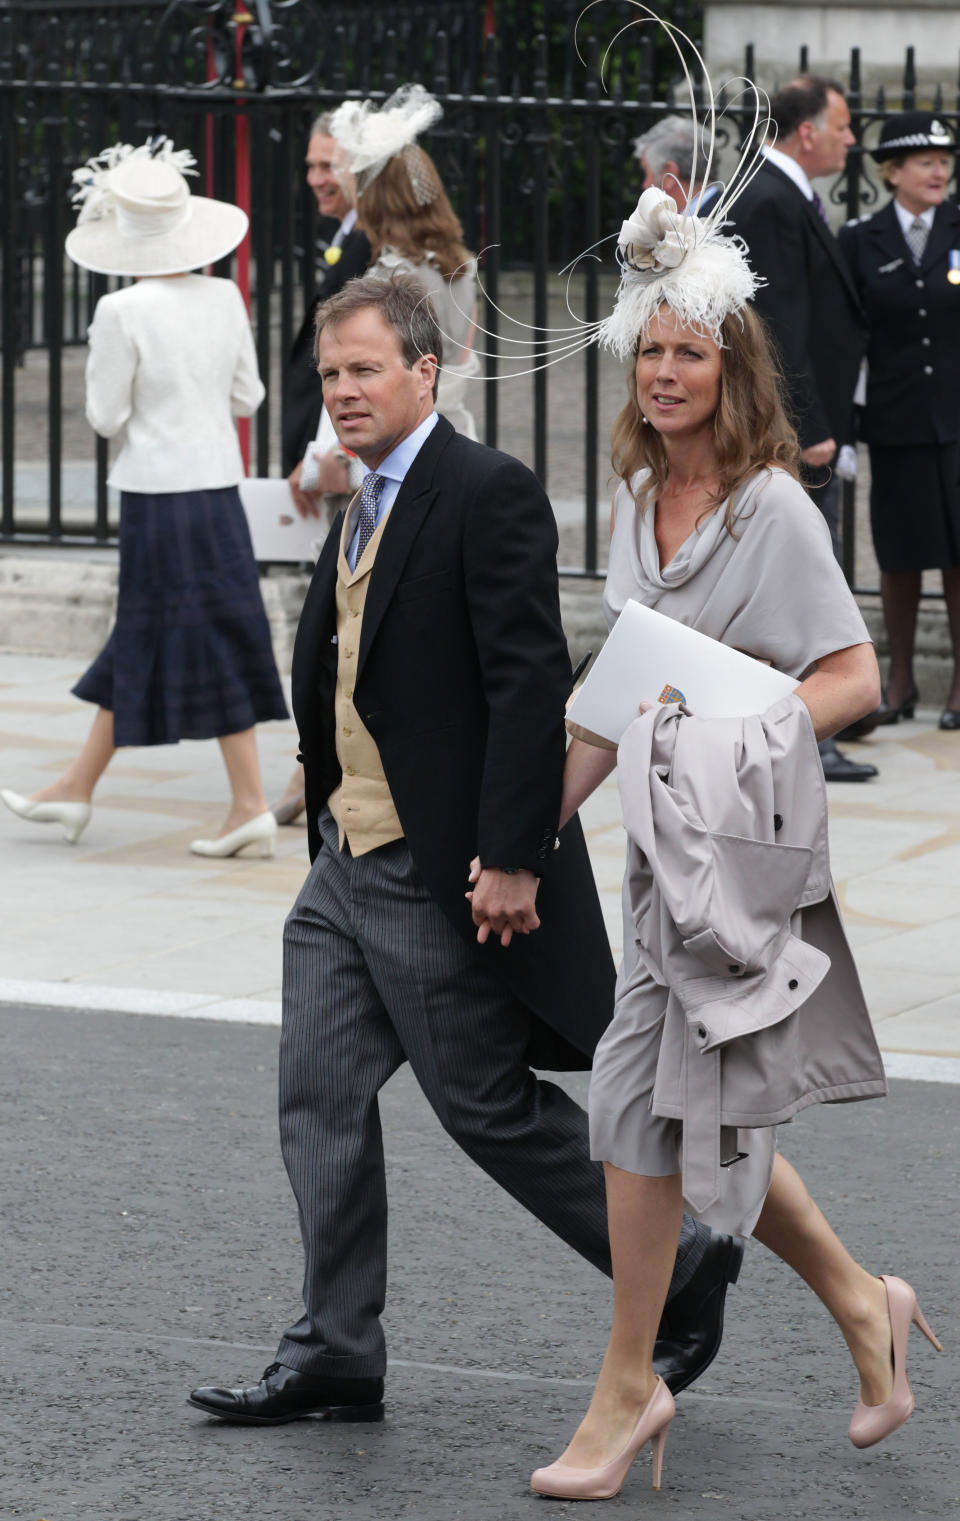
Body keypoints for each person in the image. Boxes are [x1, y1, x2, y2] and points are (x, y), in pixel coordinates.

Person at [187, 272, 744, 1429]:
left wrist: (515, 853)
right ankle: (335, 1347)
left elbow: (528, 678)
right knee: (319, 1095)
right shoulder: (362, 498)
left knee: (485, 1105)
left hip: (433, 867)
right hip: (346, 863)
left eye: (364, 370)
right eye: (331, 374)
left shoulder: (484, 489)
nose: (342, 392)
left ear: (425, 371)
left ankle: (685, 1258)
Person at [524, 185, 940, 1503]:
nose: (663, 371)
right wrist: (527, 828)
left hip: (742, 861)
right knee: (682, 1115)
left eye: (688, 351)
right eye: (649, 350)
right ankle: (866, 1308)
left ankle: (627, 1382)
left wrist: (730, 725)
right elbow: (615, 694)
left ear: (731, 364)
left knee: (652, 1117)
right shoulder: (637, 506)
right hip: (658, 858)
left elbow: (856, 675)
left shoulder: (775, 512)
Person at [0, 140, 288, 859]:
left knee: (183, 631)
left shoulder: (120, 309)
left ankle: (248, 801)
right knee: (167, 630)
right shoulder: (224, 294)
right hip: (218, 485)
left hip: (157, 494)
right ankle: (76, 786)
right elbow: (249, 394)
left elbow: (104, 416)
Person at [721, 76, 878, 778]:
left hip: (813, 426)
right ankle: (810, 732)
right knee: (806, 584)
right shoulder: (771, 200)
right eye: (843, 127)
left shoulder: (783, 193)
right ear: (807, 131)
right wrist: (809, 425)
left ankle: (823, 722)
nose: (853, 141)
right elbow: (778, 323)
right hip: (796, 434)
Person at [838, 112, 960, 729]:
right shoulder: (863, 238)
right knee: (901, 552)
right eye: (926, 162)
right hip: (895, 418)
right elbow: (847, 330)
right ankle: (901, 679)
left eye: (945, 160)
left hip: (958, 422)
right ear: (893, 172)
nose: (940, 171)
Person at [330, 84, 479, 440]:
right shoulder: (462, 267)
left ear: (374, 197)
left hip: (403, 433)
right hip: (454, 427)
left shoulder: (389, 276)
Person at [283, 112, 371, 517]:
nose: (315, 179)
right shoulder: (348, 237)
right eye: (310, 166)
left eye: (328, 166)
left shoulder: (368, 246)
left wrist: (331, 452)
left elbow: (353, 359)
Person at [632, 113, 713, 210]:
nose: (644, 185)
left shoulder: (707, 223)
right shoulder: (726, 211)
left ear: (669, 175)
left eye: (646, 172)